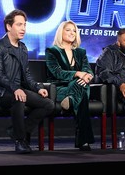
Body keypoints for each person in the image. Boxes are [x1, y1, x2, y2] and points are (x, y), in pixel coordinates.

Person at [0, 9, 55, 154]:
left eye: (24, 25)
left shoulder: (23, 48)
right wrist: (15, 88)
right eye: (19, 25)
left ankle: (16, 131)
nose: (23, 28)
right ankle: (20, 141)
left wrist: (37, 88)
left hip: (17, 89)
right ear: (8, 26)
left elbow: (27, 75)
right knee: (18, 98)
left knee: (48, 104)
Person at [45, 20, 95, 151]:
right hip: (60, 88)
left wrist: (88, 76)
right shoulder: (52, 51)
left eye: (74, 31)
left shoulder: (81, 52)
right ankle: (84, 141)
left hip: (77, 87)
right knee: (82, 91)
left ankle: (72, 100)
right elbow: (57, 72)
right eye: (68, 30)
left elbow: (88, 70)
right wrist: (78, 73)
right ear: (61, 32)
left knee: (82, 85)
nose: (72, 33)